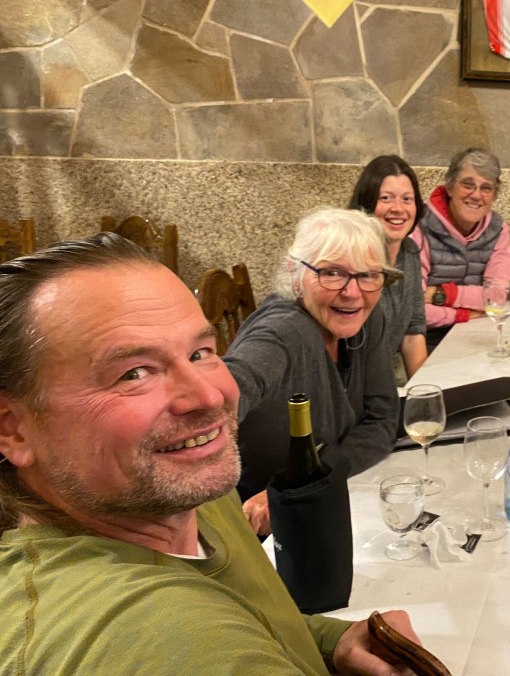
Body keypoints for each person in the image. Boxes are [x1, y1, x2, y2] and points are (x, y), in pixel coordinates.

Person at [0, 233, 421, 675]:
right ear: (13, 428)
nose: (210, 396)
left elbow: (257, 612)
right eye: (134, 373)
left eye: (200, 352)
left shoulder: (190, 490)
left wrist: (330, 643)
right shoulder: (152, 633)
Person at [226, 209, 400, 535]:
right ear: (295, 274)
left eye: (368, 275)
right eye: (331, 273)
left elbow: (383, 422)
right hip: (260, 530)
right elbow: (230, 386)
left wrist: (307, 476)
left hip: (321, 499)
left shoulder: (367, 317)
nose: (352, 292)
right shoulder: (285, 330)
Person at [414, 147, 510, 347]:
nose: (476, 195)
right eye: (468, 185)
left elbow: (499, 297)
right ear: (450, 187)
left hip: (480, 333)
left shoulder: (499, 230)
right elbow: (413, 308)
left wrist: (443, 294)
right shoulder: (419, 227)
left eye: (486, 188)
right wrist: (464, 314)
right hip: (427, 342)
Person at [349, 154, 428, 379]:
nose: (398, 208)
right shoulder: (353, 259)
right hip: (352, 380)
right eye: (386, 198)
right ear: (366, 204)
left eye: (407, 199)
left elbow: (413, 331)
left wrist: (423, 390)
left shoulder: (409, 252)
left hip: (386, 378)